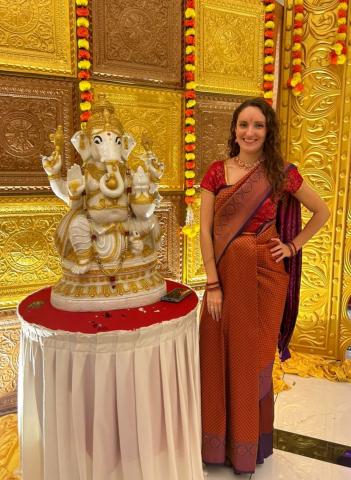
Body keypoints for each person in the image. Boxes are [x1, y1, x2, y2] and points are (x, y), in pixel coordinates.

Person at [199, 97, 330, 475]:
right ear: (234, 130)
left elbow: (322, 211)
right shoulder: (216, 172)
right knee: (217, 354)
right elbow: (207, 233)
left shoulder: (280, 172)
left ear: (267, 131)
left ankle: (247, 446)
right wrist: (212, 284)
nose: (250, 132)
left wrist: (292, 245)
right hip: (223, 277)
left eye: (258, 125)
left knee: (253, 360)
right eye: (244, 125)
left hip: (266, 276)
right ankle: (216, 443)